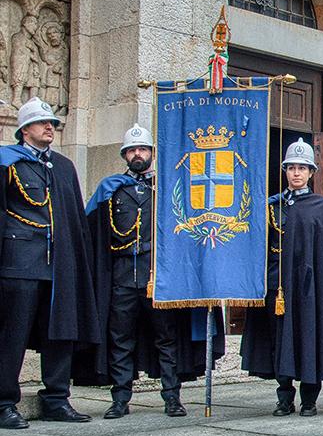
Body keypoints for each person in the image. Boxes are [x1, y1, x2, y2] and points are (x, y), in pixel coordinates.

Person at [81, 124, 221, 418]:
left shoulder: (167, 188)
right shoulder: (111, 189)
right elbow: (91, 230)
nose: (137, 154)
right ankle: (120, 399)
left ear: (152, 154)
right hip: (121, 275)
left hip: (158, 277)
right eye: (132, 150)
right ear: (124, 155)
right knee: (120, 340)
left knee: (166, 339)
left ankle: (172, 397)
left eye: (142, 149)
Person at [240, 138, 323, 416]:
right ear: (285, 171)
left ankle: (309, 399)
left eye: (302, 168)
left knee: (308, 339)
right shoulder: (273, 206)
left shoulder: (321, 207)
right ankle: (284, 397)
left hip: (308, 288)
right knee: (280, 340)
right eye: (291, 168)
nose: (296, 173)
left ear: (311, 173)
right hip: (278, 287)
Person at [0, 97, 99, 429]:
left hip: (59, 265)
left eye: (52, 123)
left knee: (60, 333)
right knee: (12, 335)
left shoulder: (63, 166)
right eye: (43, 123)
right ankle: (3, 403)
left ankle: (57, 398)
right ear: (25, 129)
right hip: (19, 264)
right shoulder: (7, 162)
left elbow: (74, 219)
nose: (50, 127)